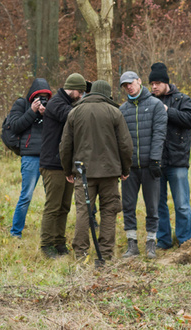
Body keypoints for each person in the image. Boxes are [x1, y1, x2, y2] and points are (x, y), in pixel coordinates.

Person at [59, 80, 132, 264]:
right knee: (109, 211)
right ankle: (105, 256)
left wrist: (68, 170)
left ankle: (81, 256)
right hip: (110, 173)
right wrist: (125, 169)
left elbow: (65, 145)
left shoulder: (75, 112)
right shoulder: (115, 112)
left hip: (83, 172)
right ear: (107, 95)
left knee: (83, 212)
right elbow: (125, 144)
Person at [148, 62, 191, 250]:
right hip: (156, 161)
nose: (154, 87)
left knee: (182, 204)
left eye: (158, 83)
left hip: (178, 161)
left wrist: (168, 111)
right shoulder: (149, 102)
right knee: (158, 205)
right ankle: (163, 241)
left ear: (166, 83)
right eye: (152, 83)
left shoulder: (182, 99)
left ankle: (186, 240)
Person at [119, 71, 167, 259]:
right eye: (125, 85)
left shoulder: (156, 106)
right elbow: (120, 140)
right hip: (130, 168)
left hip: (150, 166)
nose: (129, 87)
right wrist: (123, 165)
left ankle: (151, 244)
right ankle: (132, 245)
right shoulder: (122, 110)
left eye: (131, 83)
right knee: (128, 206)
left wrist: (155, 159)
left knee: (152, 207)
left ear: (139, 81)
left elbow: (159, 134)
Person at [39, 73, 87, 258]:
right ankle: (46, 245)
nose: (81, 96)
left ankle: (59, 242)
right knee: (53, 206)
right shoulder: (57, 104)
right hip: (52, 164)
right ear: (73, 89)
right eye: (81, 92)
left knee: (64, 206)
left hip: (65, 165)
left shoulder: (66, 103)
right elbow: (73, 117)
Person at [5, 78, 52, 238]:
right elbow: (15, 126)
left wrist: (48, 114)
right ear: (33, 96)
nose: (43, 100)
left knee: (51, 197)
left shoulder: (51, 107)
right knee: (26, 196)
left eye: (46, 96)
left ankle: (49, 233)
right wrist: (32, 111)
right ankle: (15, 232)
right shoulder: (22, 104)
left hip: (48, 157)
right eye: (40, 97)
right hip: (30, 156)